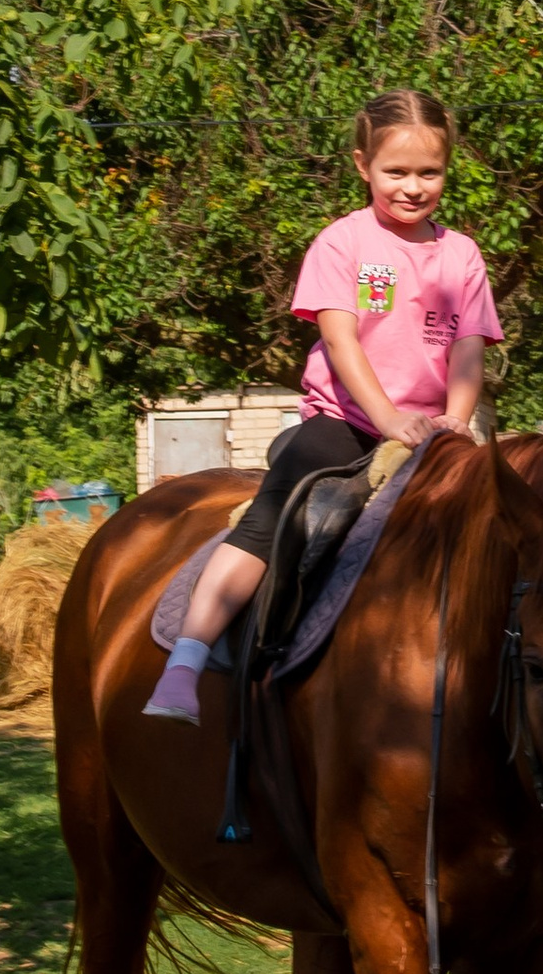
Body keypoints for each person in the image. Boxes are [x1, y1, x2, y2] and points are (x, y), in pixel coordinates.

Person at [146, 90, 504, 724]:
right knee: (278, 521)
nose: (413, 187)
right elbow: (341, 341)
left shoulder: (461, 255)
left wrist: (458, 416)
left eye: (430, 172)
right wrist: (388, 418)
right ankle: (190, 658)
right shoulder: (344, 244)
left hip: (433, 432)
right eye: (396, 172)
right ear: (362, 164)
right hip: (344, 424)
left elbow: (469, 347)